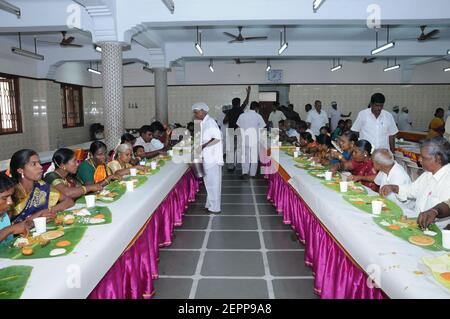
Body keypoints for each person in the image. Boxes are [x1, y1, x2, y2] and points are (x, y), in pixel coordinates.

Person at [380, 137, 450, 215]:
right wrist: (394, 188)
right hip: (416, 219)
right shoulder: (428, 174)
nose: (419, 160)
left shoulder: (447, 180)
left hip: (437, 226)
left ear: (438, 159)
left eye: (423, 157)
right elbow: (412, 190)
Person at [9, 149, 74, 223]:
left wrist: (48, 211)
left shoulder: (41, 185)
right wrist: (37, 217)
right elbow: (8, 227)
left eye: (39, 163)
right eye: (34, 164)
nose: (40, 167)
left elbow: (69, 201)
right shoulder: (11, 193)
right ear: (21, 170)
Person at [192, 103, 223, 214]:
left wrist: (202, 146)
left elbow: (216, 138)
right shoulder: (204, 123)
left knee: (213, 183)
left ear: (203, 110)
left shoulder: (210, 122)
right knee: (209, 183)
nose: (195, 114)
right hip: (207, 156)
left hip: (212, 158)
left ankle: (215, 207)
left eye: (196, 112)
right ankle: (210, 204)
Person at [223, 86, 251, 171]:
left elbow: (224, 121)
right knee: (238, 148)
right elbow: (246, 102)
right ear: (239, 103)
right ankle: (237, 165)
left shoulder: (229, 111)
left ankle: (230, 166)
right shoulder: (240, 109)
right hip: (239, 131)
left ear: (232, 103)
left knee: (231, 149)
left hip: (231, 131)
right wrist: (248, 93)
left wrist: (229, 119)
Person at [236, 101, 266, 179]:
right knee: (254, 157)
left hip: (244, 139)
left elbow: (238, 126)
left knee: (245, 157)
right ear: (256, 108)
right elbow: (263, 127)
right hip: (254, 140)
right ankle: (252, 174)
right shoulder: (258, 116)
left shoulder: (242, 115)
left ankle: (244, 172)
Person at [0, 173, 30, 245]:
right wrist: (10, 229)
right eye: (4, 198)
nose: (10, 202)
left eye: (11, 196)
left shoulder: (4, 215)